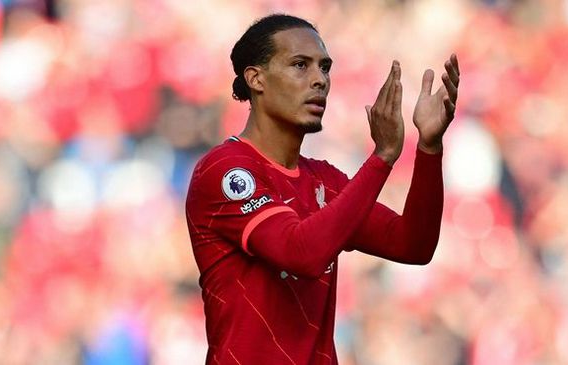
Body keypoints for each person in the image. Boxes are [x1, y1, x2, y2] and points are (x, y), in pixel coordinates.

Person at [185, 13, 460, 364]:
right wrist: (382, 158)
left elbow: (413, 244)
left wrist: (429, 148)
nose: (320, 80)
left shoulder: (324, 181)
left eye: (325, 68)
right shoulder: (226, 169)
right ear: (256, 79)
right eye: (301, 65)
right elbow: (301, 254)